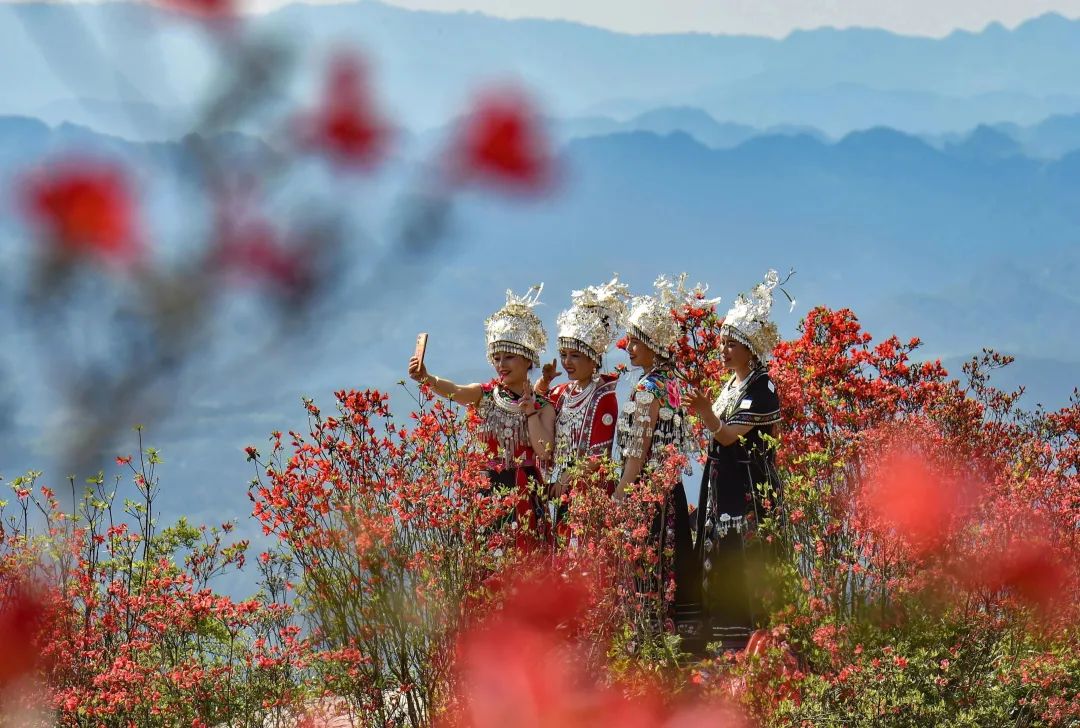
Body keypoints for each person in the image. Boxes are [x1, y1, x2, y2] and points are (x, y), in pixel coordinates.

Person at [408, 285, 555, 539]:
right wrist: (427, 378)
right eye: (496, 358)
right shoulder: (485, 394)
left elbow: (545, 450)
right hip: (488, 490)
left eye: (508, 357)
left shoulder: (544, 406)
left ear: (528, 360)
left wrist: (530, 412)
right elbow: (454, 389)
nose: (501, 364)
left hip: (526, 491)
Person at [687, 270, 784, 653]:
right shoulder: (733, 384)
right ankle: (724, 634)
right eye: (723, 343)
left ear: (750, 348)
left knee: (745, 556)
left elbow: (726, 434)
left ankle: (750, 638)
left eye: (733, 344)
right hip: (722, 482)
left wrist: (704, 411)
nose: (724, 350)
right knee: (720, 552)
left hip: (747, 488)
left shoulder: (763, 388)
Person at [615, 275, 701, 642]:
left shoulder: (647, 389)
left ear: (653, 344)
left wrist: (619, 495)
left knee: (649, 576)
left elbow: (636, 453)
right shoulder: (674, 386)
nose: (629, 348)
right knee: (675, 570)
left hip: (649, 499)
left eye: (636, 341)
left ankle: (649, 653)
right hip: (674, 493)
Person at [535, 276, 629, 524]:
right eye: (564, 354)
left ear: (594, 358)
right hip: (563, 489)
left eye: (575, 355)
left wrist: (566, 479)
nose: (566, 362)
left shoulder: (604, 395)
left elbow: (598, 455)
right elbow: (536, 406)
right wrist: (544, 383)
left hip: (591, 491)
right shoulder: (563, 392)